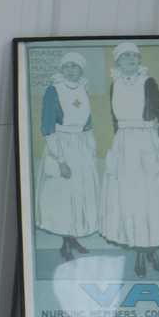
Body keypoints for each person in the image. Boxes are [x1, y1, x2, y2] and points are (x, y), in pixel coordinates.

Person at [101, 42, 159, 276]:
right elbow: (115, 122)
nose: (132, 59)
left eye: (135, 56)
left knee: (148, 201)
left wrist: (158, 150)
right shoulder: (114, 85)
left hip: (147, 145)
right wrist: (123, 145)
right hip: (124, 146)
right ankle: (140, 254)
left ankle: (150, 251)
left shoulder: (148, 82)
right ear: (118, 61)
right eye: (126, 56)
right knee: (129, 200)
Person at [38, 50, 104, 263]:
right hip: (62, 145)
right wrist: (60, 160)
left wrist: (91, 151)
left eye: (74, 67)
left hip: (81, 146)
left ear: (80, 70)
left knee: (80, 194)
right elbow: (47, 127)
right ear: (61, 70)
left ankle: (73, 238)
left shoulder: (83, 89)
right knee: (64, 196)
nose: (70, 71)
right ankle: (65, 244)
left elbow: (88, 125)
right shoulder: (53, 90)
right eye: (66, 67)